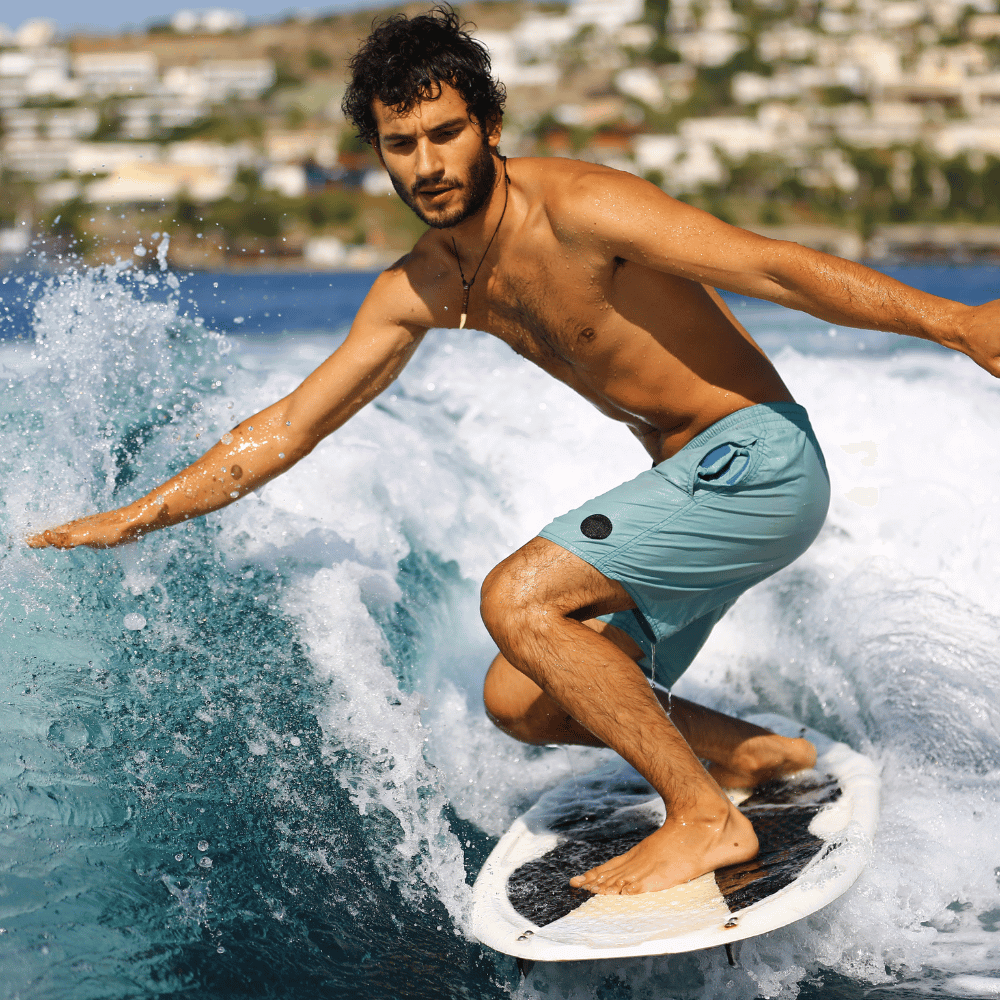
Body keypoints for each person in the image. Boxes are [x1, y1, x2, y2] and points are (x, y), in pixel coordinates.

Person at [28, 7, 1000, 896]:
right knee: (524, 697)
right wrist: (136, 514)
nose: (428, 163)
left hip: (758, 461)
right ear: (379, 155)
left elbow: (770, 265)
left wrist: (957, 323)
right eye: (400, 144)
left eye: (445, 132)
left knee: (516, 597)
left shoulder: (583, 208)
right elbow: (290, 424)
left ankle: (703, 820)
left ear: (488, 127)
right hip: (691, 487)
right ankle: (750, 757)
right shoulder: (423, 286)